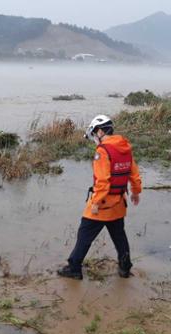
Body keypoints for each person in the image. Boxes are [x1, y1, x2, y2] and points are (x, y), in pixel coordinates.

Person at [58, 114, 142, 280]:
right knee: (119, 237)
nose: (94, 138)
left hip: (102, 205)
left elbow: (103, 181)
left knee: (84, 235)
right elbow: (134, 174)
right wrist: (136, 192)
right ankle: (125, 268)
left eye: (94, 133)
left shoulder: (102, 152)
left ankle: (74, 268)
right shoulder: (125, 147)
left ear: (101, 131)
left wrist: (95, 202)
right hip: (119, 204)